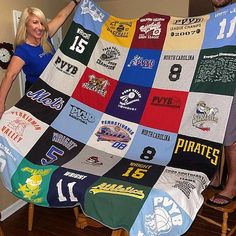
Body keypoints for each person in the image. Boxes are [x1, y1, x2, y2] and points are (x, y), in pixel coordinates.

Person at [0, 0, 80, 119]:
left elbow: (61, 16)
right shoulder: (23, 50)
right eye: (35, 22)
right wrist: (1, 105)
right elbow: (9, 76)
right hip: (36, 93)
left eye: (42, 23)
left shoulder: (45, 38)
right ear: (25, 24)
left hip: (53, 87)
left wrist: (74, 2)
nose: (40, 27)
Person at [206, 0, 236, 206]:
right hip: (214, 79)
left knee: (230, 136)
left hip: (233, 81)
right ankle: (215, 176)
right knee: (208, 126)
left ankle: (232, 185)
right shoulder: (208, 20)